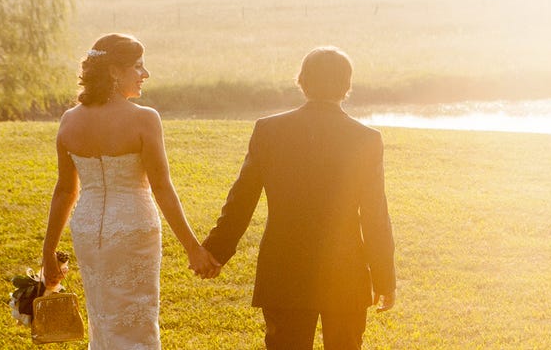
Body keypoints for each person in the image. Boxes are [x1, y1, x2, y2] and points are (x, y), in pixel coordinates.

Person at [202, 46, 397, 350]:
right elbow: (374, 215)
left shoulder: (269, 130)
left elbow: (242, 198)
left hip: (284, 266)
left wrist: (216, 250)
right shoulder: (366, 138)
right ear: (347, 86)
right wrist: (385, 279)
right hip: (345, 270)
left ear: (302, 81)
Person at [41, 33, 221, 349]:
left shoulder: (69, 121)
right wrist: (193, 247)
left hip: (87, 231)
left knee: (104, 322)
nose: (145, 74)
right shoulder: (144, 119)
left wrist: (48, 253)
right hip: (133, 229)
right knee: (136, 322)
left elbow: (65, 191)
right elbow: (162, 187)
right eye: (137, 66)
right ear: (113, 71)